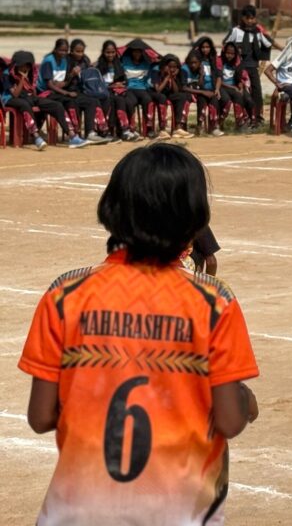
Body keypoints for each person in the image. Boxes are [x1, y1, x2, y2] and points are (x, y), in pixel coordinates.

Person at [18, 144, 258, 524]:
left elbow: (40, 416)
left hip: (76, 510)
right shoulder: (214, 303)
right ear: (194, 219)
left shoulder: (64, 294)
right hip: (178, 510)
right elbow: (229, 421)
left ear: (112, 209)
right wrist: (244, 398)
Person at [38, 38, 105, 144]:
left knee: (91, 101)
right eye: (61, 50)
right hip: (46, 92)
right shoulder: (49, 61)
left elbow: (64, 82)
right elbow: (50, 85)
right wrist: (66, 92)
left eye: (65, 51)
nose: (63, 53)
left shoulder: (64, 61)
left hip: (59, 91)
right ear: (55, 49)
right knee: (71, 101)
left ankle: (90, 133)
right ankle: (73, 135)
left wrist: (70, 77)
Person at [1, 51, 66, 150]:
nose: (26, 68)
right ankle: (36, 136)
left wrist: (33, 90)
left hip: (27, 96)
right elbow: (15, 94)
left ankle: (72, 135)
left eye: (28, 66)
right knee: (25, 104)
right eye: (23, 66)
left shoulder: (32, 72)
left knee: (56, 105)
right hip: (9, 98)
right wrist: (22, 79)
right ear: (16, 65)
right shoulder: (7, 74)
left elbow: (33, 92)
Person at [223, 6, 274, 127]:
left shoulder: (257, 32)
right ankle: (245, 117)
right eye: (248, 18)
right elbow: (226, 44)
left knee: (256, 91)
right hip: (240, 67)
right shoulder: (236, 31)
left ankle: (257, 117)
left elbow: (268, 44)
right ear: (243, 18)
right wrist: (236, 50)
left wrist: (263, 52)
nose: (250, 21)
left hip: (253, 66)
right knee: (244, 92)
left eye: (253, 18)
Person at [96, 40, 140, 141]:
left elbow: (124, 80)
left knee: (130, 99)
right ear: (103, 52)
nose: (110, 55)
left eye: (113, 52)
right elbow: (98, 85)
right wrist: (112, 86)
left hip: (118, 90)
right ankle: (124, 130)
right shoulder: (98, 66)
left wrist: (121, 84)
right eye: (108, 52)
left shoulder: (118, 64)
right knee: (119, 100)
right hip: (106, 91)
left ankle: (130, 128)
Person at [121, 39, 160, 137]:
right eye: (135, 51)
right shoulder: (124, 60)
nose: (137, 53)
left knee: (148, 100)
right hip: (129, 88)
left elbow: (160, 59)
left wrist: (149, 50)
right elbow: (116, 53)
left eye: (139, 51)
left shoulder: (147, 62)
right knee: (130, 102)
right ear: (131, 52)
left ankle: (149, 129)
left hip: (142, 88)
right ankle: (131, 129)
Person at [151, 54, 194, 140]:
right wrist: (167, 78)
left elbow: (176, 91)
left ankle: (177, 128)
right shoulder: (156, 72)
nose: (172, 69)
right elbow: (158, 90)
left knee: (181, 96)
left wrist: (173, 78)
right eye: (170, 67)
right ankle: (162, 129)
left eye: (174, 67)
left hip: (169, 94)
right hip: (157, 94)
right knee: (162, 97)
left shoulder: (179, 73)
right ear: (164, 66)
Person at [183, 51, 224, 136]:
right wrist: (202, 92)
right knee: (202, 97)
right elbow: (184, 87)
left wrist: (202, 75)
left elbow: (199, 85)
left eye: (195, 63)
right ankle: (200, 126)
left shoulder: (199, 70)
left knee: (213, 98)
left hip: (198, 92)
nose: (193, 65)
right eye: (191, 63)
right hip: (187, 93)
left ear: (199, 63)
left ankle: (213, 126)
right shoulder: (185, 69)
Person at [217, 42, 255, 131]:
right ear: (224, 52)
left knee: (247, 99)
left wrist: (241, 86)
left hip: (234, 85)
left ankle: (249, 122)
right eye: (228, 53)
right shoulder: (219, 61)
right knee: (234, 97)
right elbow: (218, 80)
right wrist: (233, 88)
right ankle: (220, 122)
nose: (229, 56)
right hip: (222, 86)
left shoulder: (237, 61)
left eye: (232, 54)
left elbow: (239, 77)